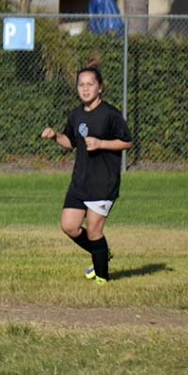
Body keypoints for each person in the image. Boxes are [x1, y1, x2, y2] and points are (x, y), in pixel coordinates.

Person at [41, 58, 133, 284]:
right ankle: (100, 252)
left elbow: (127, 142)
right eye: (81, 84)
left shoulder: (110, 114)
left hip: (103, 182)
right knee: (69, 226)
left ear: (100, 87)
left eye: (90, 84)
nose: (85, 88)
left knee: (94, 230)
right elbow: (70, 142)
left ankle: (102, 278)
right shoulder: (75, 115)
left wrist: (101, 143)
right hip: (80, 181)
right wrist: (55, 137)